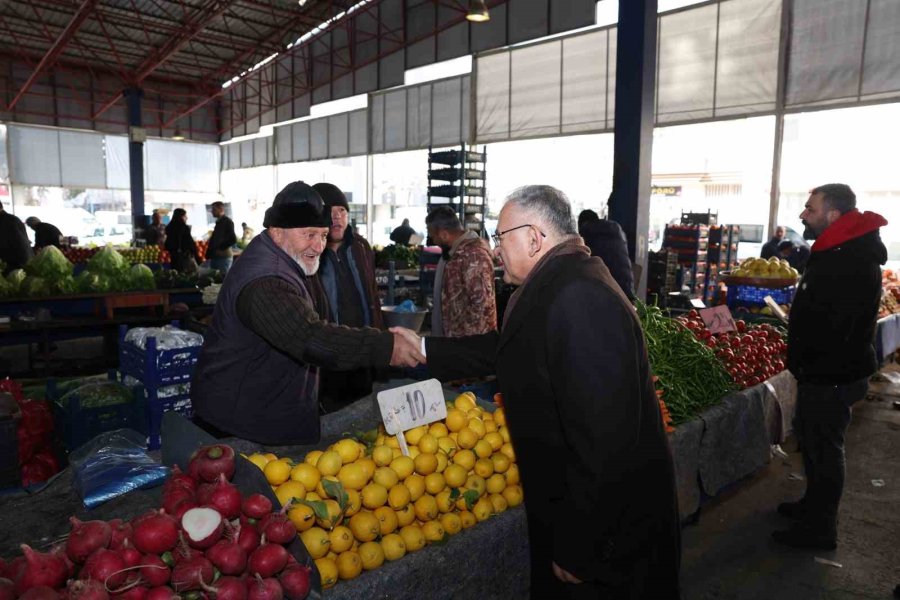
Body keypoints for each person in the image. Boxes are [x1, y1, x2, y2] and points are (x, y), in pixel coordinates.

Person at [396, 185, 681, 598]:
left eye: (500, 238)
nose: (495, 252)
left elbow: (605, 440)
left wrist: (581, 545)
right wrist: (422, 349)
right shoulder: (559, 282)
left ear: (534, 237)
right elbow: (509, 348)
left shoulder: (581, 296)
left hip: (608, 541)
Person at [191, 181, 422, 445]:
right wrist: (386, 346)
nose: (318, 246)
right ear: (277, 232)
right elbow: (309, 337)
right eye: (308, 234)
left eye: (323, 235)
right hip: (236, 429)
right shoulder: (266, 283)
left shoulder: (289, 259)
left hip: (260, 415)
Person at [773, 183, 887, 550]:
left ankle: (821, 530)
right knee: (815, 444)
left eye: (809, 209)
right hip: (823, 370)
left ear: (833, 215)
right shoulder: (838, 249)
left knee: (825, 449)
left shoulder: (851, 258)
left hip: (833, 373)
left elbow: (839, 323)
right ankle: (813, 506)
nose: (803, 215)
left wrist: (811, 363)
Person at [313, 182, 384, 412]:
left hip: (364, 348)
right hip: (329, 354)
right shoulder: (312, 252)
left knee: (364, 412)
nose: (337, 218)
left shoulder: (361, 247)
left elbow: (373, 294)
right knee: (332, 417)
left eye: (341, 211)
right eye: (330, 212)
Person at [425, 206, 497, 337]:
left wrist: (460, 346)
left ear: (444, 235)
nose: (433, 241)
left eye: (433, 237)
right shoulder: (452, 255)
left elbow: (481, 309)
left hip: (469, 347)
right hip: (455, 344)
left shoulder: (474, 256)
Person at [577, 209, 635, 300]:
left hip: (609, 295)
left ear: (582, 223)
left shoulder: (587, 233)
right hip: (627, 291)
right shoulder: (616, 231)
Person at [164, 208, 201, 273]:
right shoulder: (184, 228)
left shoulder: (169, 228)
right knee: (185, 276)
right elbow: (190, 243)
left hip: (173, 257)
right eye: (185, 216)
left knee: (176, 275)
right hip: (184, 257)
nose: (186, 218)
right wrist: (197, 258)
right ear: (181, 216)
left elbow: (167, 244)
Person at [0, 204, 32, 275]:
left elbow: (6, 243)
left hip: (15, 263)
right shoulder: (11, 219)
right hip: (21, 260)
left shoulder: (5, 221)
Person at [208, 201, 237, 274]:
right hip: (216, 256)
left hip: (223, 257)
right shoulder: (218, 222)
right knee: (214, 279)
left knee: (223, 280)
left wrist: (220, 248)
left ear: (221, 209)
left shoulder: (228, 222)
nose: (212, 212)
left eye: (214, 210)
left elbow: (233, 239)